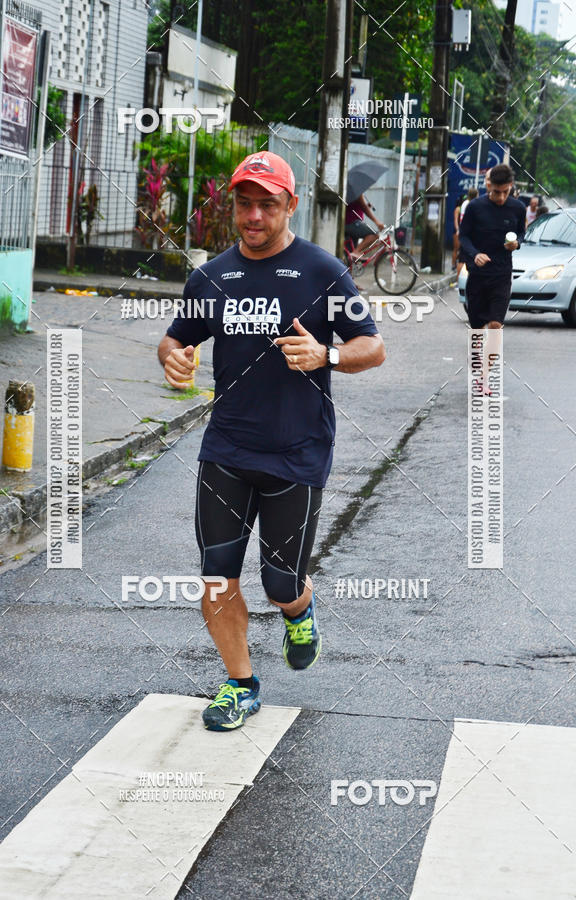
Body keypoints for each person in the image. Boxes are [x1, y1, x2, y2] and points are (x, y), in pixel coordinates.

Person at [158, 151, 385, 732]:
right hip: (226, 450)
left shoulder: (321, 271)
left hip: (297, 451)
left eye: (267, 204)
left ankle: (299, 609)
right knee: (217, 574)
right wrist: (173, 358)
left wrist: (327, 354)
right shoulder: (210, 276)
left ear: (291, 205)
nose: (254, 215)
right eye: (244, 203)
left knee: (280, 582)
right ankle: (241, 684)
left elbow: (372, 347)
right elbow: (175, 338)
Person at [459, 164, 525, 391]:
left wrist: (517, 243)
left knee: (496, 325)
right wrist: (474, 254)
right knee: (477, 330)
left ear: (511, 187)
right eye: (497, 192)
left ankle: (484, 378)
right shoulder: (475, 207)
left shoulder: (518, 208)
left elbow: (522, 233)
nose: (501, 197)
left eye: (506, 192)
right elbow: (464, 237)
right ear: (489, 186)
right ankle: (477, 367)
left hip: (502, 275)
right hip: (478, 276)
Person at [344, 192, 385, 260]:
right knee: (374, 235)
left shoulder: (351, 192)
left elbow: (356, 206)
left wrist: (366, 206)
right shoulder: (357, 193)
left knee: (349, 257)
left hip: (349, 223)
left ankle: (353, 255)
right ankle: (356, 252)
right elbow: (364, 207)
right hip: (352, 222)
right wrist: (377, 222)